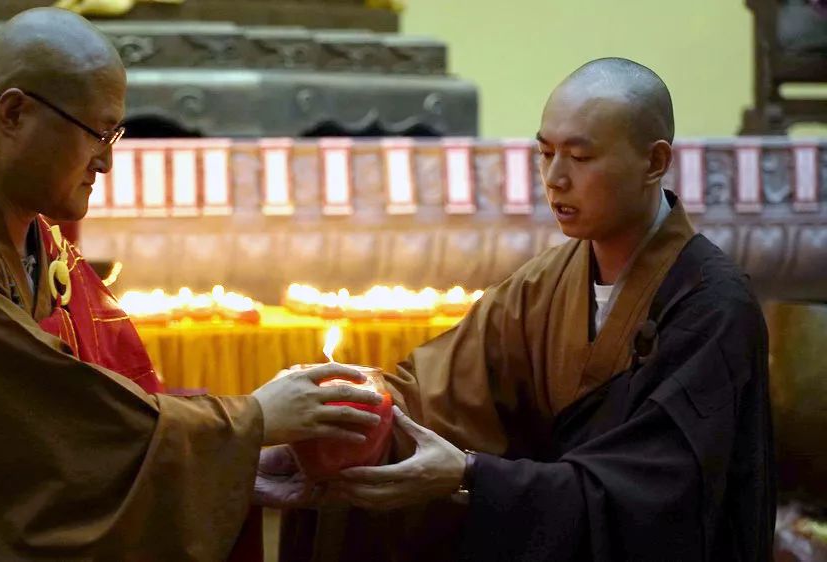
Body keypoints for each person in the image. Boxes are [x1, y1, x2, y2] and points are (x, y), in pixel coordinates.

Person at [0, 8, 383, 561]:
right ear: (15, 112)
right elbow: (62, 418)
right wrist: (251, 421)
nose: (107, 162)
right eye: (96, 133)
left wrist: (226, 465)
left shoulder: (43, 243)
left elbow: (117, 415)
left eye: (114, 134)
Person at [279, 58, 776, 561]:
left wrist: (471, 475)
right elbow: (440, 396)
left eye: (580, 158)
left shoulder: (712, 304)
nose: (555, 178)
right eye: (545, 153)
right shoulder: (546, 282)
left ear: (654, 162)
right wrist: (335, 426)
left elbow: (658, 496)